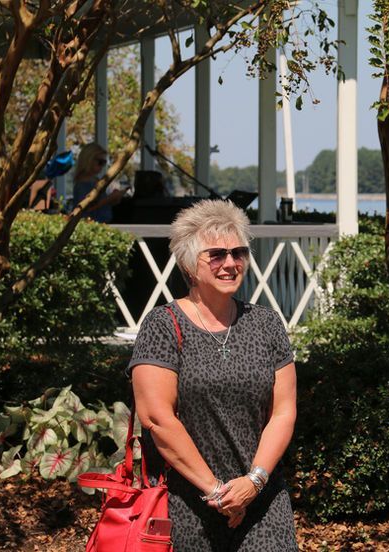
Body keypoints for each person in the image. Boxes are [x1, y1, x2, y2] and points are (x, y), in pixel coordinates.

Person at [128, 199, 298, 551]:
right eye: (217, 255)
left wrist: (254, 482)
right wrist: (217, 492)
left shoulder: (266, 324)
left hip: (262, 498)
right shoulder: (162, 326)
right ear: (190, 265)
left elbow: (283, 412)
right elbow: (156, 418)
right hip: (187, 502)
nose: (231, 263)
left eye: (239, 253)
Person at [72, 142, 124, 222]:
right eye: (100, 162)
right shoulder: (82, 183)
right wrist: (109, 199)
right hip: (91, 224)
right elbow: (85, 208)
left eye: (104, 162)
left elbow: (99, 204)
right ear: (89, 160)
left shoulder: (95, 180)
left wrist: (113, 199)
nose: (102, 166)